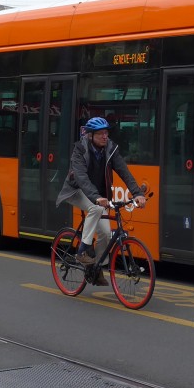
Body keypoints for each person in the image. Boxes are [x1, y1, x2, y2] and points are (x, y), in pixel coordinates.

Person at [55, 117, 147, 284]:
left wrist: (137, 193)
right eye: (100, 133)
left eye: (106, 132)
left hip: (97, 195)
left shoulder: (110, 149)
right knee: (96, 209)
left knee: (105, 232)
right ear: (90, 136)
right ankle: (81, 251)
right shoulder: (80, 150)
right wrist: (97, 198)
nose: (105, 136)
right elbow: (82, 179)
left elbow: (124, 171)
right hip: (76, 191)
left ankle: (95, 268)